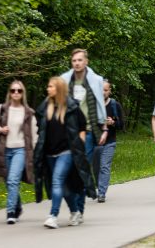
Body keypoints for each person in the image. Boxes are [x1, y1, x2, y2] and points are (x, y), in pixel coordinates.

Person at [34, 76, 96, 228]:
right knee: (64, 187)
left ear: (59, 89)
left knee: (57, 180)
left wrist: (79, 142)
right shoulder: (44, 107)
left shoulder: (71, 107)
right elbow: (39, 129)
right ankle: (75, 212)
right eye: (48, 86)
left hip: (66, 152)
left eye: (51, 86)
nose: (48, 89)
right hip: (49, 153)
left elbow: (82, 126)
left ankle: (53, 216)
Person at [61, 48, 107, 216]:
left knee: (81, 169)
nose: (77, 63)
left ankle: (78, 210)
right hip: (67, 132)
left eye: (80, 60)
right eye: (74, 61)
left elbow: (100, 104)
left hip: (86, 131)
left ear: (86, 61)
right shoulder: (64, 80)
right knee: (66, 171)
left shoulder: (96, 80)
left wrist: (104, 128)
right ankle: (73, 205)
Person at [0, 81, 38, 224]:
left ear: (23, 93)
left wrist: (34, 153)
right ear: (9, 92)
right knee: (8, 181)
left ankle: (10, 212)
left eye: (19, 90)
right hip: (4, 149)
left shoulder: (29, 112)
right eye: (13, 90)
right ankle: (18, 206)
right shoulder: (2, 109)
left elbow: (34, 134)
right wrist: (0, 129)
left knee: (13, 180)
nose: (16, 93)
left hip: (20, 150)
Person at [94, 80, 124, 202]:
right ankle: (99, 185)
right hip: (94, 142)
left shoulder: (115, 105)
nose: (103, 92)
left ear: (109, 91)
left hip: (109, 142)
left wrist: (113, 123)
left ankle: (101, 193)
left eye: (106, 90)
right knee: (96, 168)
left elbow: (121, 125)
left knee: (104, 167)